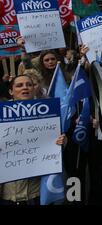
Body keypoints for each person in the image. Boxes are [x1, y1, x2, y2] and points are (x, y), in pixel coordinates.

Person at [0, 75, 66, 205]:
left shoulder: (49, 111)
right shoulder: (1, 113)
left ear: (34, 89)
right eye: (19, 85)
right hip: (8, 191)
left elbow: (58, 139)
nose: (25, 87)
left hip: (38, 191)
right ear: (11, 91)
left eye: (29, 85)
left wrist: (62, 141)